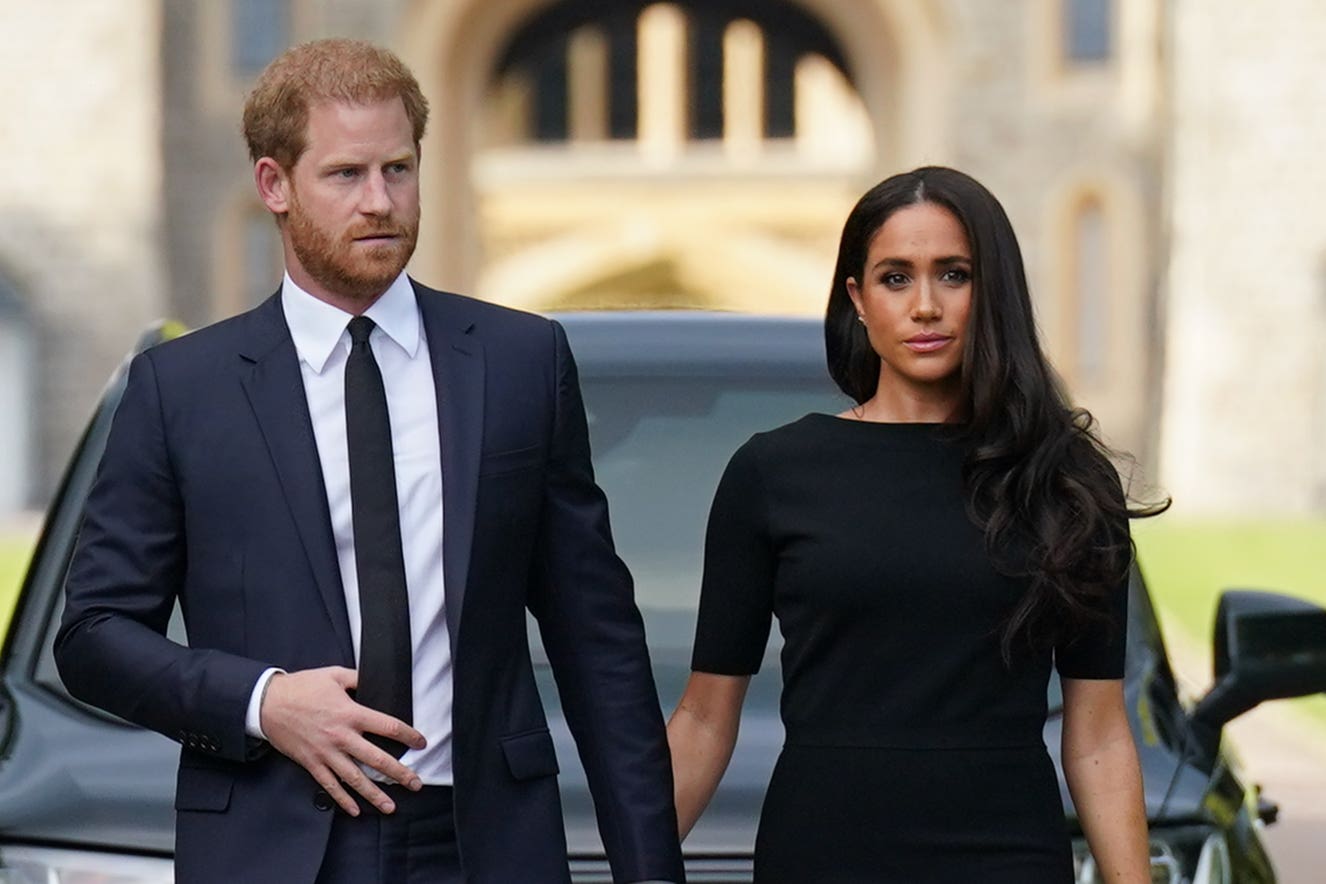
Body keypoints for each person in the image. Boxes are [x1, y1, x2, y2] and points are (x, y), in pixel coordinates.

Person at [55, 39, 684, 884]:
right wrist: (263, 702)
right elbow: (94, 635)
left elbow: (597, 637)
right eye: (347, 175)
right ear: (274, 185)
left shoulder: (520, 361)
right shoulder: (181, 390)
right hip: (273, 843)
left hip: (482, 844)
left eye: (399, 168)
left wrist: (651, 870)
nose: (381, 202)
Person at [667, 166, 1161, 882]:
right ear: (857, 300)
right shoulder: (774, 473)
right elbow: (706, 718)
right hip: (824, 853)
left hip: (1007, 857)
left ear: (994, 292)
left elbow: (1098, 735)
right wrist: (634, 862)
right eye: (896, 278)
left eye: (953, 274)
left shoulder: (1067, 482)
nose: (925, 305)